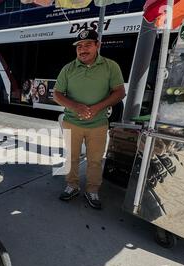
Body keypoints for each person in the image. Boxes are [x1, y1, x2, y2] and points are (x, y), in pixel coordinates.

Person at [53, 29, 126, 209]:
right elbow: (56, 94)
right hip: (72, 122)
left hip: (98, 123)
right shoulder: (68, 68)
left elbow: (119, 92)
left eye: (87, 45)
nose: (82, 49)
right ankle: (72, 185)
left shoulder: (111, 66)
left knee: (95, 159)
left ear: (97, 45)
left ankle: (92, 190)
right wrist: (75, 106)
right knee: (72, 157)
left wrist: (96, 108)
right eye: (79, 46)